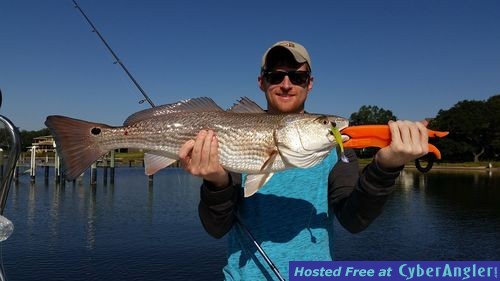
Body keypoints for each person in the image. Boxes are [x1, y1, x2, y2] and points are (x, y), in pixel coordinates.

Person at [178, 40, 429, 280]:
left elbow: (354, 221)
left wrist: (386, 167)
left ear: (310, 83)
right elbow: (216, 229)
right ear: (261, 82)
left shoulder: (335, 149)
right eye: (275, 76)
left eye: (297, 77)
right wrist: (217, 184)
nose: (286, 84)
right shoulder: (233, 143)